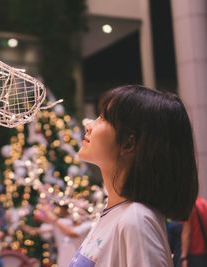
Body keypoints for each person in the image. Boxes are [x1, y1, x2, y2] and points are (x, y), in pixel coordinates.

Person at [70, 85, 198, 267]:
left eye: (103, 118)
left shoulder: (136, 220)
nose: (89, 125)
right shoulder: (116, 214)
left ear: (129, 143)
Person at [180, 197, 207, 267]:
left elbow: (186, 232)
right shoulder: (203, 203)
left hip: (194, 254)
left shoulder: (189, 207)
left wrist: (184, 257)